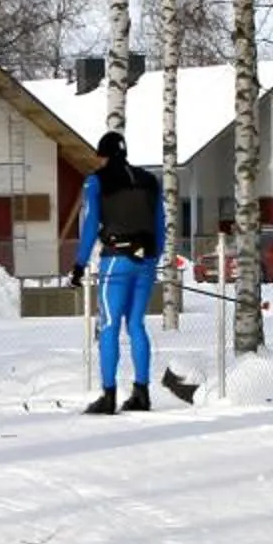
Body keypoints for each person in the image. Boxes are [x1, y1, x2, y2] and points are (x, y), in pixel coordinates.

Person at [73, 128, 166, 414]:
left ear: (104, 156)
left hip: (116, 261)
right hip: (146, 260)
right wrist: (153, 258)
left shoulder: (96, 181)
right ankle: (142, 393)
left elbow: (91, 224)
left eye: (100, 157)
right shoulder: (150, 180)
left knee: (109, 325)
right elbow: (160, 224)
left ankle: (109, 395)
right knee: (136, 324)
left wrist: (79, 264)